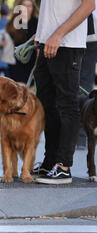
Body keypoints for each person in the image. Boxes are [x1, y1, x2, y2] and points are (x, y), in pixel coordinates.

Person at [34, 0, 95, 185]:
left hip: (67, 45)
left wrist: (58, 34)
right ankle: (50, 161)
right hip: (46, 42)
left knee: (68, 105)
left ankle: (63, 167)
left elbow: (89, 5)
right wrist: (42, 33)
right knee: (45, 105)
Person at [77, 1, 97, 150]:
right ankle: (79, 136)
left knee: (84, 84)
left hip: (91, 39)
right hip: (75, 38)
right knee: (80, 85)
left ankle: (81, 136)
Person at [6, 0, 39, 83]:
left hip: (33, 62)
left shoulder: (38, 23)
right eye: (24, 6)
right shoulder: (13, 24)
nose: (26, 9)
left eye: (29, 6)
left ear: (33, 8)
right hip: (15, 62)